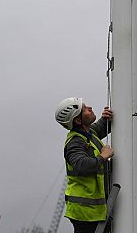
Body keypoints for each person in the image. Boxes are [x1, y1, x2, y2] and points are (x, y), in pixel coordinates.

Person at [54, 97, 114, 233]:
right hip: (85, 212)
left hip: (90, 210)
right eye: (85, 109)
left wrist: (105, 120)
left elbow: (97, 130)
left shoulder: (87, 133)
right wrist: (102, 156)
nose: (90, 108)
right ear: (78, 120)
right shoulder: (75, 141)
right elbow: (81, 164)